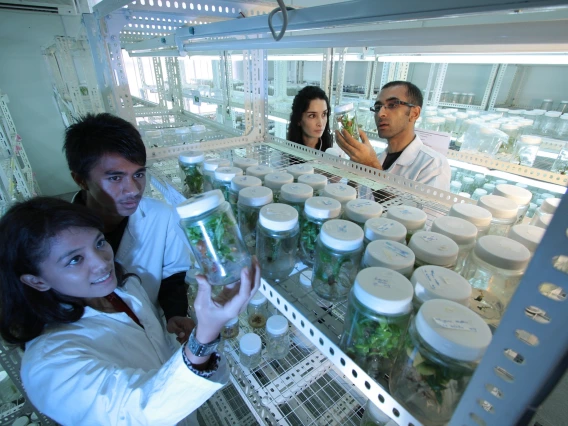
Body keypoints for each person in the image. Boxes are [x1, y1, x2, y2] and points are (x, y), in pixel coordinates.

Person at [0, 197, 260, 425]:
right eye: (75, 259)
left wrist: (190, 341)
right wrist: (204, 337)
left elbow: (153, 362)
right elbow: (139, 412)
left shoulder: (123, 289)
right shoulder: (48, 366)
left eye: (99, 243)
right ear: (37, 280)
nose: (103, 263)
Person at [63, 113, 193, 342]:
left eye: (139, 174)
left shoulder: (161, 216)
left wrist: (175, 314)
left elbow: (172, 274)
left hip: (154, 331)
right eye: (115, 178)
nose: (133, 189)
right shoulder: (59, 241)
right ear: (81, 180)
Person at [335, 81, 451, 191]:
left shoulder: (434, 165)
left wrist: (372, 168)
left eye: (392, 105)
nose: (380, 114)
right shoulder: (379, 158)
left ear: (414, 113)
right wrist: (355, 171)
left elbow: (419, 212)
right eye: (377, 107)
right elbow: (358, 203)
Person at [287, 86, 334, 152]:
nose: (320, 123)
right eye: (312, 116)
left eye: (324, 114)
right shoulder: (283, 153)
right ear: (298, 119)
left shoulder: (334, 152)